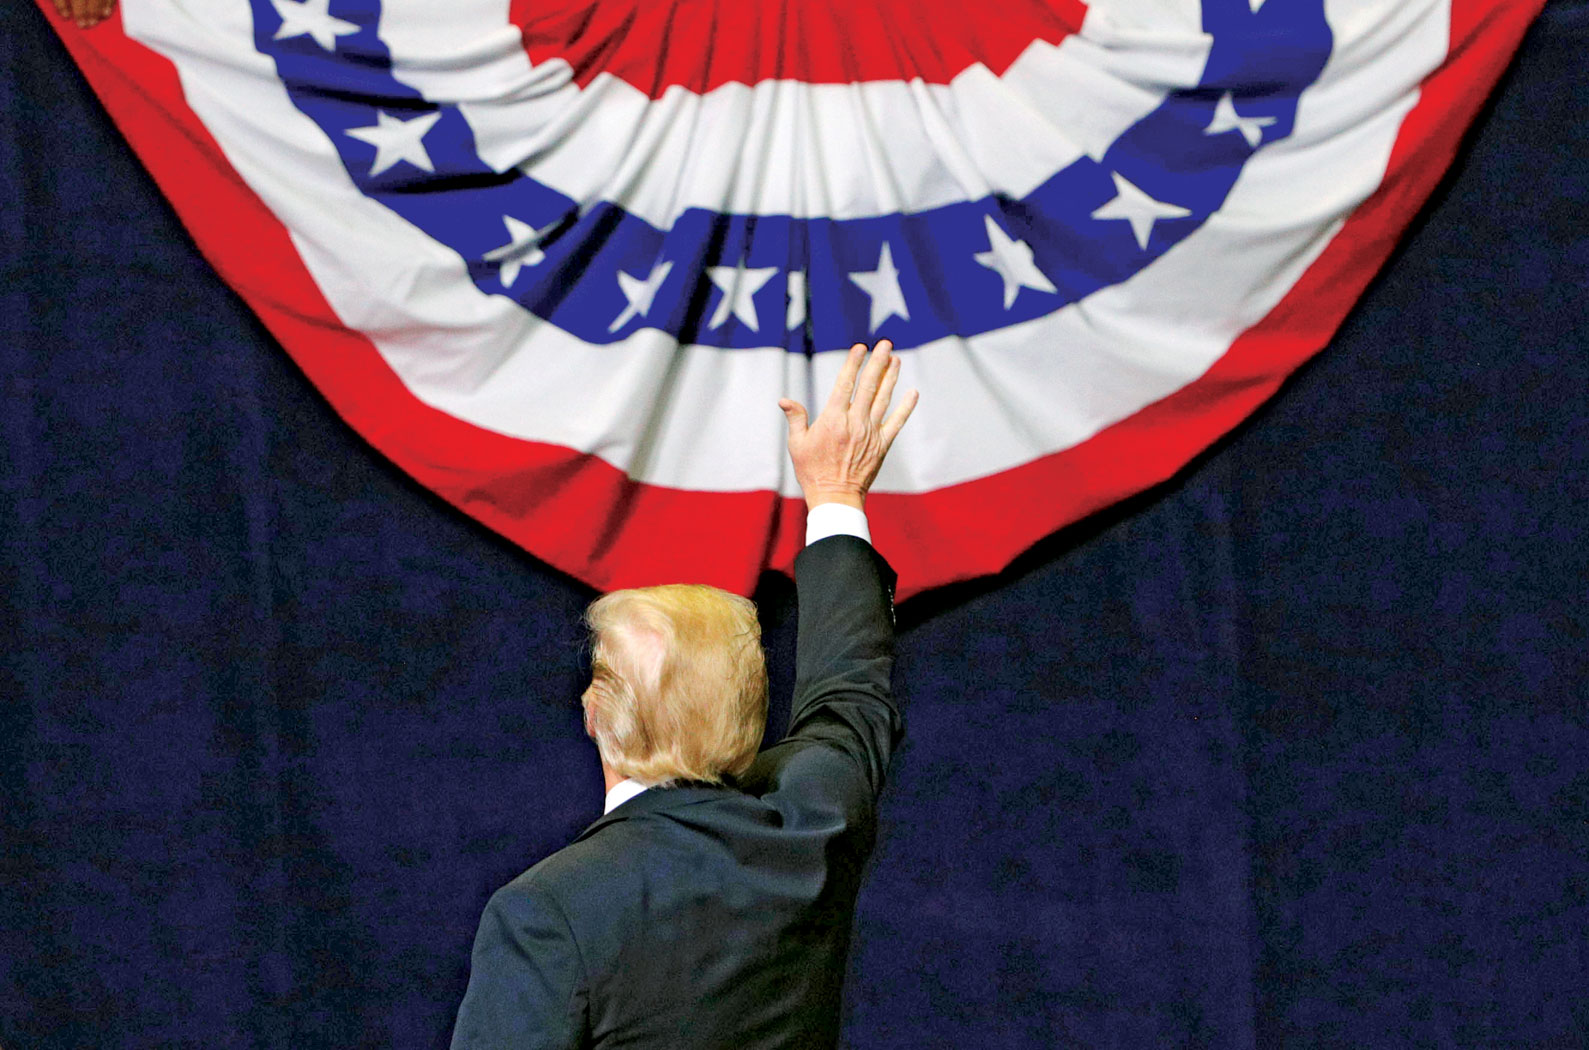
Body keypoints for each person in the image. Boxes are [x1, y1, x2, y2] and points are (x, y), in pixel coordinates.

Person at [450, 339, 919, 1049]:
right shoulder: (814, 825)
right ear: (748, 712)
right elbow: (850, 693)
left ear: (596, 713)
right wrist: (835, 495)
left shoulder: (547, 913)